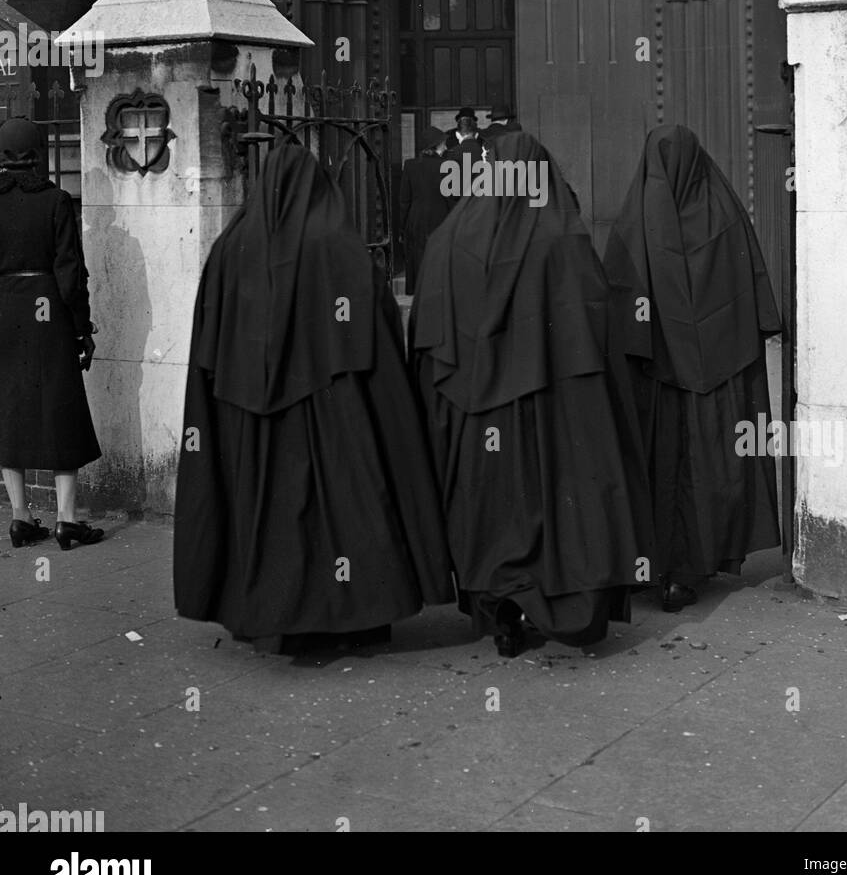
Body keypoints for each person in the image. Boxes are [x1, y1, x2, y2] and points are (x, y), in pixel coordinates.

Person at [173, 138, 454, 652]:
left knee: (269, 514)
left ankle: (268, 611)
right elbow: (380, 331)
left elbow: (209, 344)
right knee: (346, 512)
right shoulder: (339, 247)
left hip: (252, 415)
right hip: (337, 409)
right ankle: (355, 615)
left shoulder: (231, 249)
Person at [409, 131, 655, 657]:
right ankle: (555, 603)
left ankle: (500, 611)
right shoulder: (562, 237)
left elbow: (428, 337)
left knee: (490, 507)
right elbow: (594, 325)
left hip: (478, 414)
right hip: (554, 408)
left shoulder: (448, 239)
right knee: (555, 503)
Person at [603, 124, 782, 611]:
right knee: (712, 470)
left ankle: (655, 566)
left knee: (662, 470)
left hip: (659, 382)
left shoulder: (638, 217)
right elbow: (752, 285)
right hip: (719, 382)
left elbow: (619, 295)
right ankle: (696, 565)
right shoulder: (724, 211)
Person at [0, 117, 102, 551]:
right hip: (48, 311)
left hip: (4, 310)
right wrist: (82, 327)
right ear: (38, 153)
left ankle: (20, 517)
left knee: (8, 410)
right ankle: (66, 520)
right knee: (61, 409)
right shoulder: (56, 200)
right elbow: (69, 273)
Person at [398, 125, 451, 295]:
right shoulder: (447, 166)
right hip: (441, 216)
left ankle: (418, 290)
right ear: (435, 146)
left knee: (417, 256)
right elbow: (451, 198)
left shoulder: (410, 165)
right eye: (443, 144)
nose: (446, 147)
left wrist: (402, 226)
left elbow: (404, 200)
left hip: (416, 217)